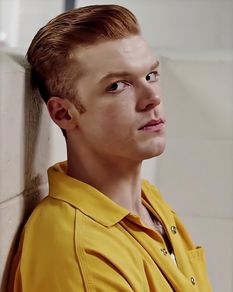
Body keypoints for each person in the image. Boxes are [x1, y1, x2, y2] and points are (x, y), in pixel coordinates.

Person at [7, 4, 212, 292]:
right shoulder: (79, 255)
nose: (152, 98)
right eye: (118, 86)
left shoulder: (147, 200)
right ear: (64, 114)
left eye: (151, 75)